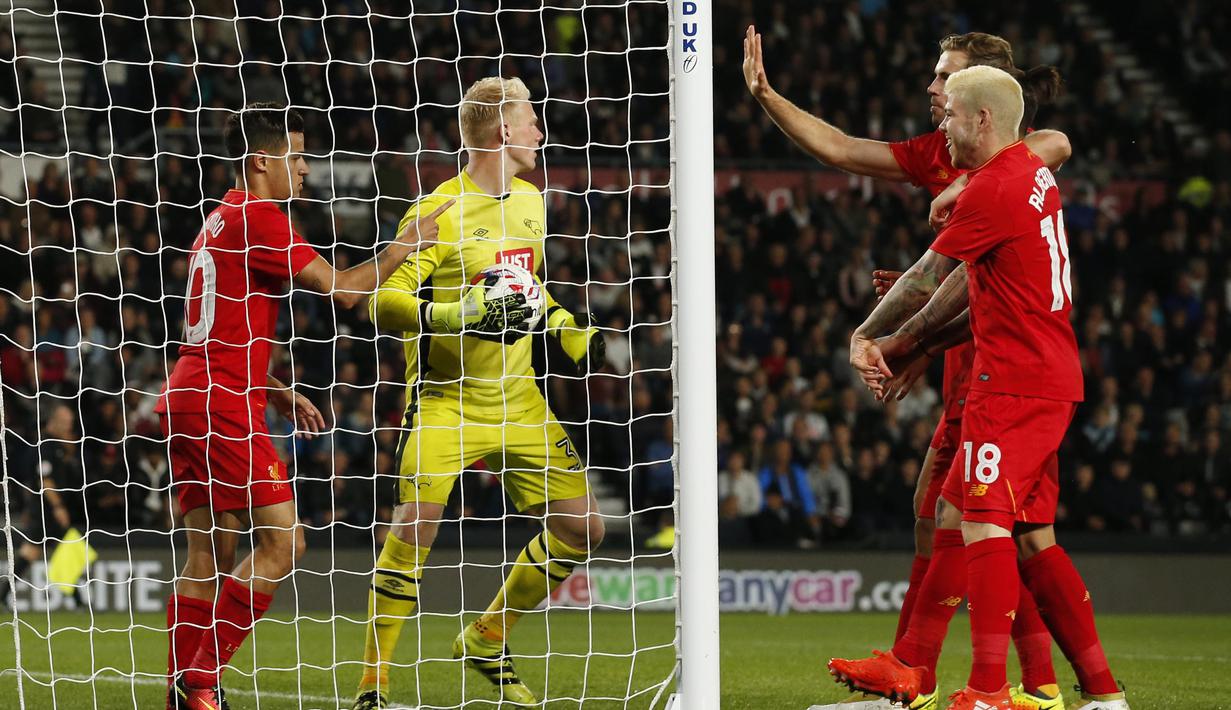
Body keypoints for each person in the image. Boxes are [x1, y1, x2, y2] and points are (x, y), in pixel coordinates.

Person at [744, 27, 1070, 710]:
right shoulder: (940, 152)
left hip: (1007, 363)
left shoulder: (1009, 157)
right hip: (969, 359)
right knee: (951, 516)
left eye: (945, 79)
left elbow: (1051, 145)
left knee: (983, 521)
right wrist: (767, 96)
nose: (931, 90)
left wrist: (893, 339)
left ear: (982, 97)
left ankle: (1012, 682)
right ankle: (934, 671)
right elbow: (838, 147)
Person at [839, 65, 1128, 710]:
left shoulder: (993, 190)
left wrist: (878, 340)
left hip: (1013, 381)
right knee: (1024, 532)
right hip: (1050, 373)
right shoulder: (1028, 172)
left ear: (982, 119)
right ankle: (1103, 695)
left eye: (949, 115)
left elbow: (932, 283)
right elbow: (976, 289)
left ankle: (991, 688)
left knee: (982, 522)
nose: (940, 125)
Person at [159, 101, 452, 710]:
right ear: (261, 160)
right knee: (285, 545)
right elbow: (345, 291)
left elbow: (216, 327)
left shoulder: (217, 220)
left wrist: (273, 388)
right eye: (296, 158)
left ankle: (181, 689)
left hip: (191, 390)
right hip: (220, 401)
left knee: (208, 553)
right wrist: (406, 244)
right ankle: (199, 681)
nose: (306, 171)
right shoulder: (261, 217)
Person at [352, 76, 607, 710]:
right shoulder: (436, 212)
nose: (540, 133)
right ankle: (373, 683)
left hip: (519, 397)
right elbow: (380, 302)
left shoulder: (532, 203)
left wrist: (563, 326)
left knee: (584, 529)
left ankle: (488, 636)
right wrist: (459, 315)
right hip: (446, 399)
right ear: (503, 132)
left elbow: (524, 289)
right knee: (416, 526)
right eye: (532, 121)